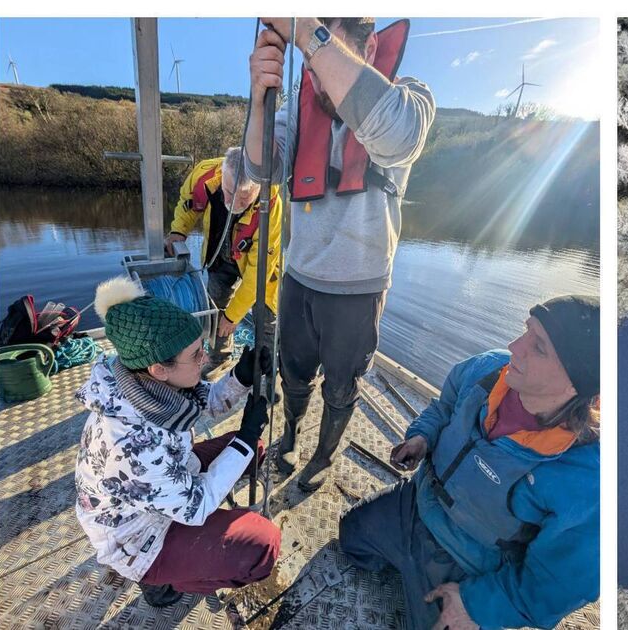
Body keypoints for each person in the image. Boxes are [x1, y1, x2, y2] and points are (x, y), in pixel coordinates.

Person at [245, 17, 436, 492]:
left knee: (341, 386)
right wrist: (258, 97)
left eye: (323, 54)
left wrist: (306, 32)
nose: (315, 72)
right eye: (307, 63)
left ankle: (323, 456)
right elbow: (260, 166)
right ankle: (288, 434)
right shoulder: (299, 106)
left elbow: (396, 135)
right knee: (292, 373)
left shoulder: (408, 96)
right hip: (299, 278)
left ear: (370, 48)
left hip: (359, 287)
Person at [339, 296, 600, 630]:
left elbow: (554, 587)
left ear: (578, 381)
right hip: (416, 504)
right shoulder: (486, 369)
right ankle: (402, 566)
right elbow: (442, 407)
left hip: (469, 565)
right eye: (525, 331)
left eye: (539, 348)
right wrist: (422, 437)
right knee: (351, 538)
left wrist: (477, 604)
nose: (514, 346)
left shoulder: (588, 478)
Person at [73, 276, 277, 607]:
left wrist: (241, 375)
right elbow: (195, 506)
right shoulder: (133, 444)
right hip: (138, 536)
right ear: (159, 369)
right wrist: (246, 436)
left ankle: (184, 557)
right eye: (197, 355)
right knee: (263, 545)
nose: (206, 360)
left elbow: (204, 402)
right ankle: (160, 579)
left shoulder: (141, 380)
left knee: (255, 452)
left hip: (164, 480)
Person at [164, 147, 282, 375]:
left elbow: (258, 273)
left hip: (260, 267)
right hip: (220, 255)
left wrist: (234, 316)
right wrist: (179, 230)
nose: (235, 203)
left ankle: (267, 370)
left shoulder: (272, 205)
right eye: (228, 192)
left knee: (267, 317)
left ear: (259, 186)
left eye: (245, 197)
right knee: (215, 308)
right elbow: (188, 204)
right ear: (222, 175)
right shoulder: (205, 173)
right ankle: (220, 358)